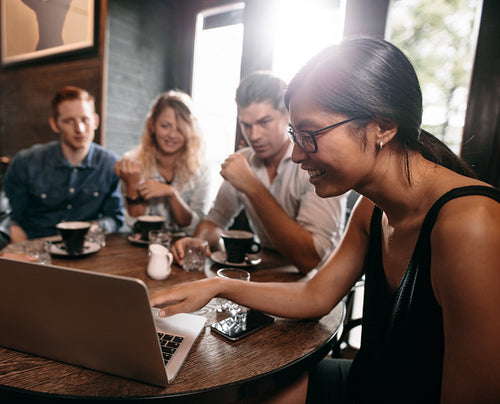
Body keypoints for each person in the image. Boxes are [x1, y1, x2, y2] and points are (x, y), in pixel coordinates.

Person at [151, 37, 500, 403]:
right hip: (371, 383)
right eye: (294, 135)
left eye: (310, 135)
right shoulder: (371, 208)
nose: (298, 154)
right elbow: (315, 294)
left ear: (382, 126)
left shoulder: (471, 223)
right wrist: (217, 287)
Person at [172, 71, 346, 273]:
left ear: (288, 115)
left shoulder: (315, 162)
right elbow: (215, 220)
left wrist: (252, 186)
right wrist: (197, 242)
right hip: (267, 272)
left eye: (264, 122)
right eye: (246, 125)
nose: (254, 136)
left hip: (320, 282)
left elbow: (309, 260)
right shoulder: (243, 160)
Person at [5, 86, 124, 242]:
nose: (79, 129)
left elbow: (115, 218)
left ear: (95, 121)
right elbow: (11, 219)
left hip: (86, 248)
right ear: (55, 124)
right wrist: (23, 250)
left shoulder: (111, 164)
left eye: (85, 119)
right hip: (36, 248)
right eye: (69, 121)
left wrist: (94, 227)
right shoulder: (25, 162)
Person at [114, 90, 211, 236]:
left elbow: (193, 227)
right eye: (165, 126)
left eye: (180, 128)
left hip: (183, 247)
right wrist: (132, 185)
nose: (172, 134)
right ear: (152, 125)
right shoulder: (132, 163)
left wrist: (171, 193)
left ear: (190, 131)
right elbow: (135, 224)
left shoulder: (201, 168)